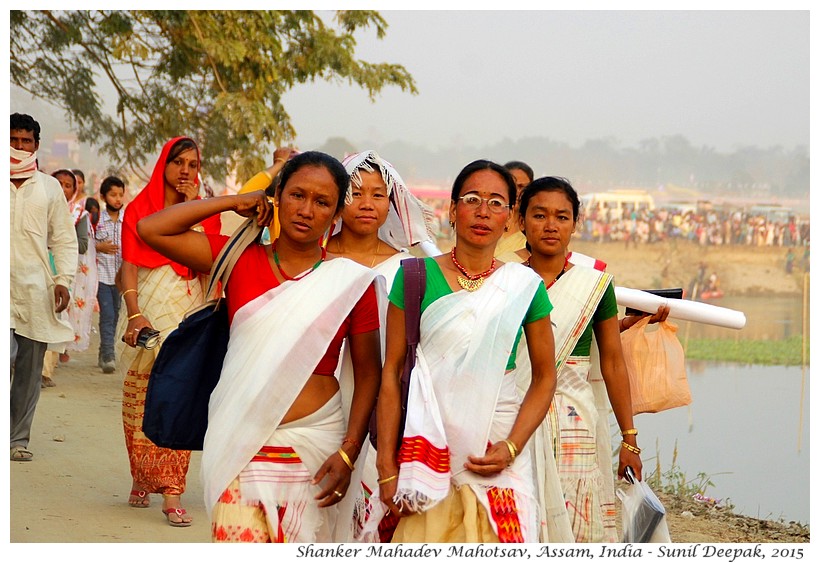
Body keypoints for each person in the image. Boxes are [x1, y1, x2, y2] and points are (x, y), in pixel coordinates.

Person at [138, 150, 384, 543]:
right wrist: (236, 201)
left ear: (336, 215)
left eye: (322, 203)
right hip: (241, 438)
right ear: (276, 197)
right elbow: (151, 229)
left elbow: (370, 372)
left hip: (317, 443)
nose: (306, 210)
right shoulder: (238, 259)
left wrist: (349, 452)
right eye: (296, 195)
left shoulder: (351, 283)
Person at [370, 160, 557, 543]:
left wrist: (511, 446)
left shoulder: (523, 286)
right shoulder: (415, 276)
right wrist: (386, 466)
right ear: (453, 210)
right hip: (424, 454)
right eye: (472, 199)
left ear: (510, 218)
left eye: (496, 202)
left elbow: (544, 377)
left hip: (496, 453)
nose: (483, 211)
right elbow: (391, 373)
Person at [514, 176, 642, 542]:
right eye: (539, 215)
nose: (550, 225)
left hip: (575, 422)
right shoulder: (503, 278)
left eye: (561, 217)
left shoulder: (595, 285)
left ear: (575, 224)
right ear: (521, 221)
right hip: (514, 413)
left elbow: (613, 363)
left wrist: (629, 439)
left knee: (576, 519)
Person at [327, 149, 440, 540]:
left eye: (378, 194)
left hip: (384, 403)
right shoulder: (317, 260)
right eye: (355, 193)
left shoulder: (407, 269)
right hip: (321, 398)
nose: (367, 204)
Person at [116, 136, 221, 525]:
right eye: (178, 162)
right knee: (140, 396)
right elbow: (128, 264)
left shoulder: (205, 213)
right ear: (164, 164)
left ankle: (172, 490)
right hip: (146, 306)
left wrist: (194, 209)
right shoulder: (138, 210)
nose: (185, 171)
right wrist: (133, 314)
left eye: (193, 165)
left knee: (180, 393)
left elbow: (211, 265)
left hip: (187, 306)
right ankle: (142, 475)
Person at [10, 112, 78, 461]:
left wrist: (63, 280)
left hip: (36, 289)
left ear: (36, 145)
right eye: (13, 140)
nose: (19, 148)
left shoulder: (49, 188)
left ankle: (17, 439)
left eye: (26, 141)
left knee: (28, 369)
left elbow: (65, 240)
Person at [55, 170, 98, 362]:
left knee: (60, 312)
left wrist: (61, 239)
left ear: (75, 189)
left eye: (68, 185)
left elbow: (82, 245)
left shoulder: (79, 214)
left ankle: (51, 362)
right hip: (39, 266)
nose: (63, 189)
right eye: (58, 184)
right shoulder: (40, 208)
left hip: (66, 271)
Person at [95, 176, 126, 374]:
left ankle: (103, 350)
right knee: (107, 315)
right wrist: (100, 246)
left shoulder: (128, 220)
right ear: (104, 196)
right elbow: (87, 243)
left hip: (121, 279)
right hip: (102, 276)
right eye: (113, 195)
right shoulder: (97, 220)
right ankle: (109, 355)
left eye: (120, 195)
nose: (117, 199)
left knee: (115, 316)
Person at [494, 160, 533, 259]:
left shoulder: (533, 234)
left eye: (522, 187)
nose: (516, 192)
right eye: (512, 186)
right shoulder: (487, 225)